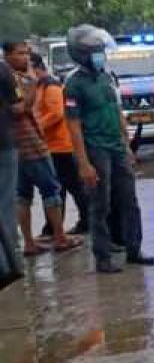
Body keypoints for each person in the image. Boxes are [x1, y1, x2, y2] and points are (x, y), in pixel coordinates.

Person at [63, 25, 154, 273]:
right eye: (96, 52)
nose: (100, 56)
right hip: (95, 149)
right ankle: (102, 256)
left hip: (116, 146)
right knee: (100, 203)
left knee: (129, 200)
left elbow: (117, 111)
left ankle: (134, 249)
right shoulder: (73, 85)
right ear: (82, 54)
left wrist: (127, 145)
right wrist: (83, 163)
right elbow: (73, 127)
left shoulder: (107, 76)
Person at [3, 41, 77, 255]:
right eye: (19, 53)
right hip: (29, 142)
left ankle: (29, 242)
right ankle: (59, 237)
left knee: (22, 194)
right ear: (6, 55)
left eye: (26, 53)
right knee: (51, 189)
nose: (25, 58)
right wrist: (33, 84)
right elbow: (21, 108)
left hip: (14, 145)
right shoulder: (11, 78)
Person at [30, 53, 89, 238]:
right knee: (61, 188)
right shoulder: (38, 86)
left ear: (36, 67)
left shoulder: (51, 86)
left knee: (72, 187)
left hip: (61, 147)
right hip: (51, 146)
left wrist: (35, 127)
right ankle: (56, 227)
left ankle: (85, 221)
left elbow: (56, 113)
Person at [0, 56, 22, 285]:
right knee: (5, 205)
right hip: (4, 145)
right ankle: (9, 264)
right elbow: (19, 106)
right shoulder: (3, 70)